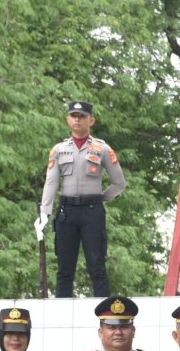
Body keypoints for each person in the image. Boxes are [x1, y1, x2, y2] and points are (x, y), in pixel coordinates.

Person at [36, 100, 126, 297]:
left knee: (97, 266)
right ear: (68, 119)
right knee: (64, 268)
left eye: (82, 116)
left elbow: (119, 183)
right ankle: (62, 311)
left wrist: (100, 198)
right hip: (66, 211)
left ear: (91, 120)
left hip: (92, 212)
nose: (77, 120)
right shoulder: (59, 150)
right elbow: (51, 183)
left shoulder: (102, 148)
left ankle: (104, 312)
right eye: (73, 116)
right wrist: (44, 212)